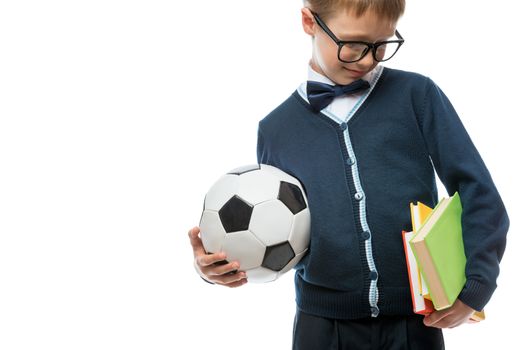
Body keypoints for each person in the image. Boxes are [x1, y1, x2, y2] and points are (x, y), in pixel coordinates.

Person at [188, 0, 510, 348]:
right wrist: (219, 266)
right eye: (354, 45)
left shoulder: (417, 96)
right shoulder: (276, 129)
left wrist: (477, 284)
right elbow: (274, 231)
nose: (369, 59)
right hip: (321, 329)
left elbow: (477, 189)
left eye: (382, 45)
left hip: (414, 324)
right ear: (309, 22)